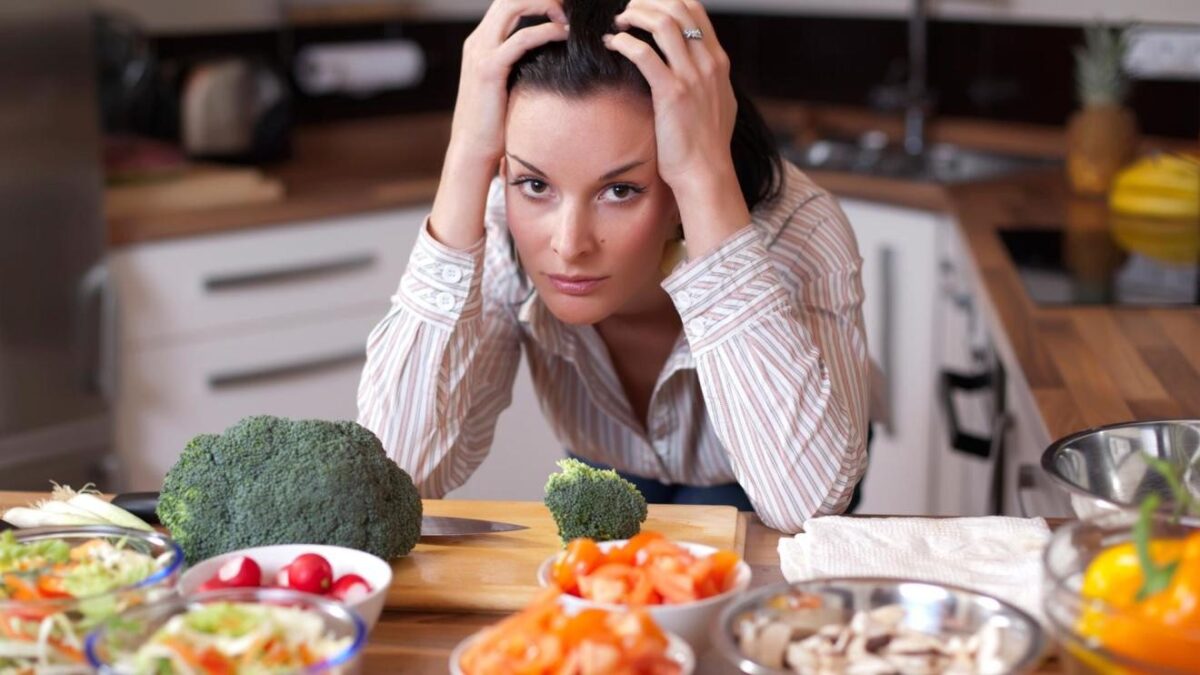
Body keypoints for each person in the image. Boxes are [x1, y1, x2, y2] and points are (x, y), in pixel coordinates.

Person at [357, 0, 869, 533]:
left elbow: (805, 505)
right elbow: (393, 476)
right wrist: (465, 154)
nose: (569, 244)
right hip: (607, 464)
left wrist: (703, 177)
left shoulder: (796, 232)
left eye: (620, 190)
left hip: (775, 472)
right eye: (534, 184)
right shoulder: (497, 225)